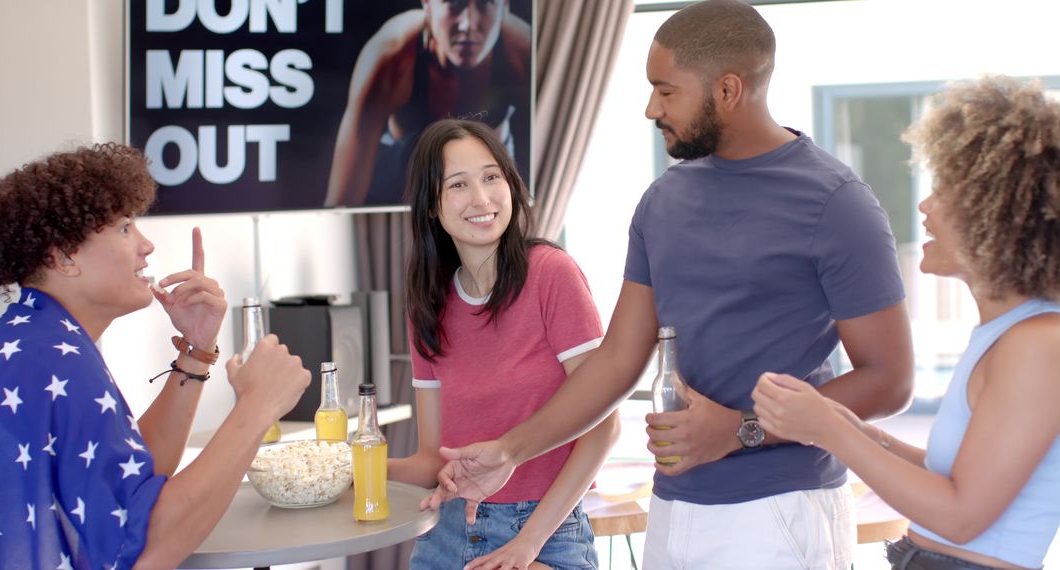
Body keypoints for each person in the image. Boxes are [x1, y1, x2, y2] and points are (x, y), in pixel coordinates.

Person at [424, 1, 916, 568]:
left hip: (783, 508)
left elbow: (890, 380)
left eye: (666, 90)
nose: (651, 107)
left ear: (728, 90)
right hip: (676, 506)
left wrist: (741, 432)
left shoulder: (836, 202)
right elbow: (616, 362)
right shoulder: (664, 200)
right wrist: (510, 450)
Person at [753, 76, 1060, 570]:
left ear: (1001, 213)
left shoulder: (1037, 345)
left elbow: (962, 518)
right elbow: (955, 476)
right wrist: (846, 426)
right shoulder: (1011, 336)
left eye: (947, 189)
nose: (926, 205)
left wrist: (832, 433)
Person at [0, 143, 311, 568]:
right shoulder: (54, 360)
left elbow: (126, 489)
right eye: (123, 228)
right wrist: (259, 405)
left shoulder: (30, 340)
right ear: (64, 258)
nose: (146, 245)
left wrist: (196, 350)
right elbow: (142, 549)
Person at [388, 118, 619, 570]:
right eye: (458, 185)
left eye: (491, 177)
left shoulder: (552, 275)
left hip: (544, 531)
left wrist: (526, 546)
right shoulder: (427, 306)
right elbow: (432, 458)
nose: (481, 198)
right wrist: (344, 470)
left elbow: (604, 428)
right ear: (431, 207)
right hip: (446, 530)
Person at [324, 0, 531, 207]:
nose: (468, 24)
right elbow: (341, 201)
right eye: (453, 5)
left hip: (489, 167)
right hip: (405, 168)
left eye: (485, 4)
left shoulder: (522, 51)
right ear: (427, 4)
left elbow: (538, 186)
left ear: (504, 5)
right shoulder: (392, 52)